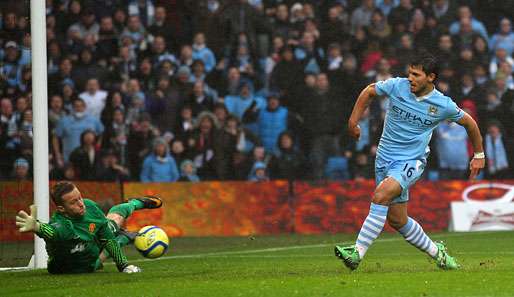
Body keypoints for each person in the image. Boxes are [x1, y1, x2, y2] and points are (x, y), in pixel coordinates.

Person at [334, 52, 485, 271]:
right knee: (397, 220)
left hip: (411, 161)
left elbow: (470, 124)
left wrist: (478, 155)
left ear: (431, 77)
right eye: (409, 73)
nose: (410, 78)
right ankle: (438, 254)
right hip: (384, 158)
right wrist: (353, 121)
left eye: (416, 74)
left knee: (381, 195)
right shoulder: (397, 86)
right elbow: (369, 91)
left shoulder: (442, 104)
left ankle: (356, 252)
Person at [15, 181, 164, 274]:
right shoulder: (62, 226)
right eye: (74, 202)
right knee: (108, 246)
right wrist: (36, 226)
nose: (81, 204)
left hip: (91, 248)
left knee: (114, 222)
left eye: (80, 197)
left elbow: (108, 240)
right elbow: (50, 232)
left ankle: (136, 203)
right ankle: (124, 238)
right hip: (81, 267)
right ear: (61, 209)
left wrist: (123, 265)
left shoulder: (90, 207)